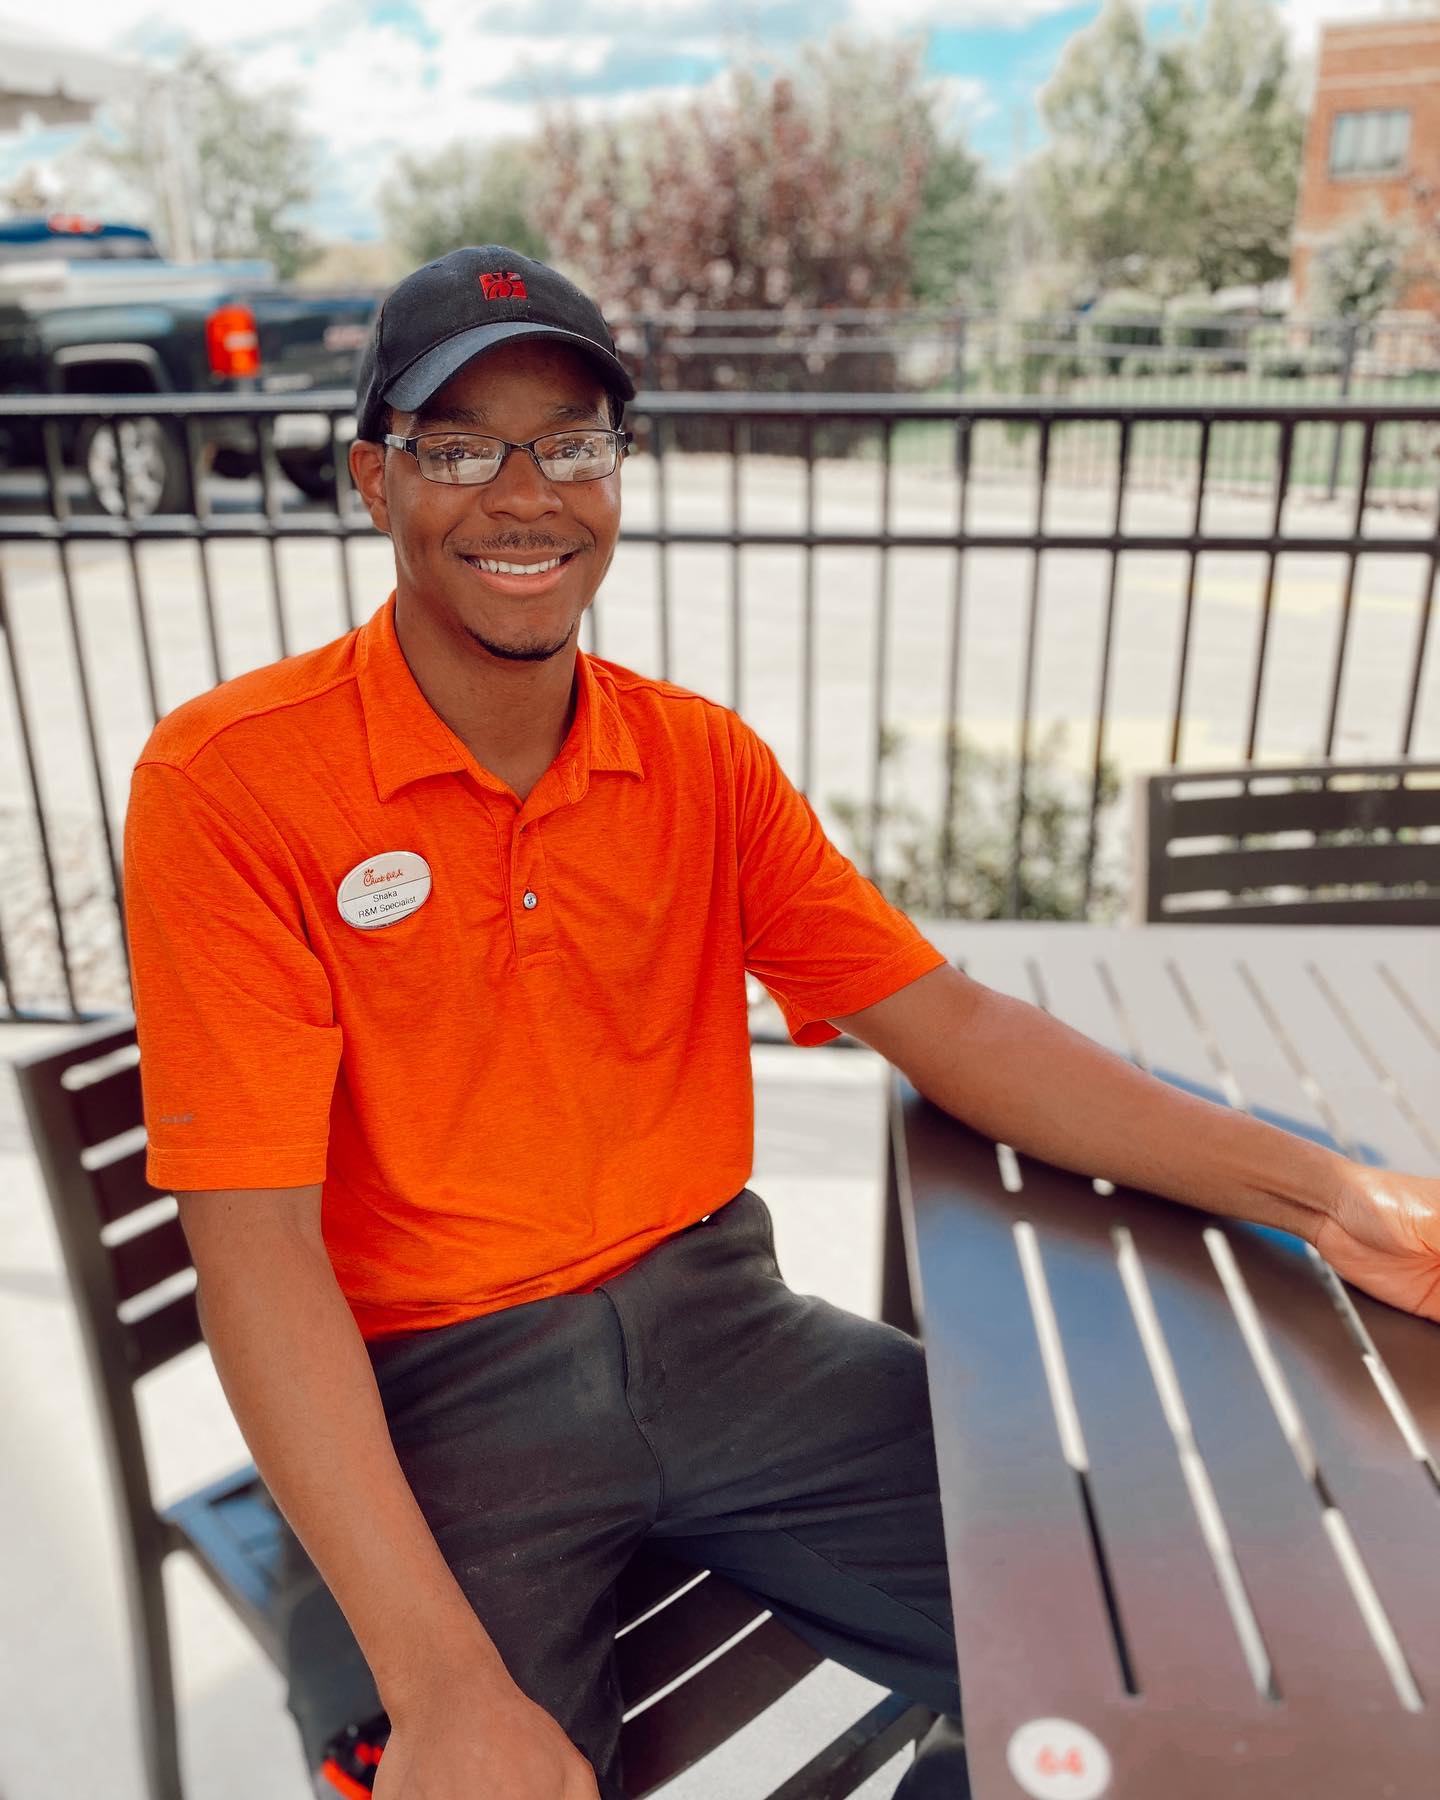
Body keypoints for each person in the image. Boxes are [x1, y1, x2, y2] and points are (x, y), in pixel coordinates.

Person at [123, 247, 1440, 1800]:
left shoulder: (698, 765)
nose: (525, 496)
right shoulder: (232, 785)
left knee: (1168, 1655)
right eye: (461, 447)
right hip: (434, 1394)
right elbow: (258, 1252)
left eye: (572, 443)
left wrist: (1328, 1198)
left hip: (726, 1332)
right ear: (373, 480)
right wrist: (444, 1682)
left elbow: (953, 1027)